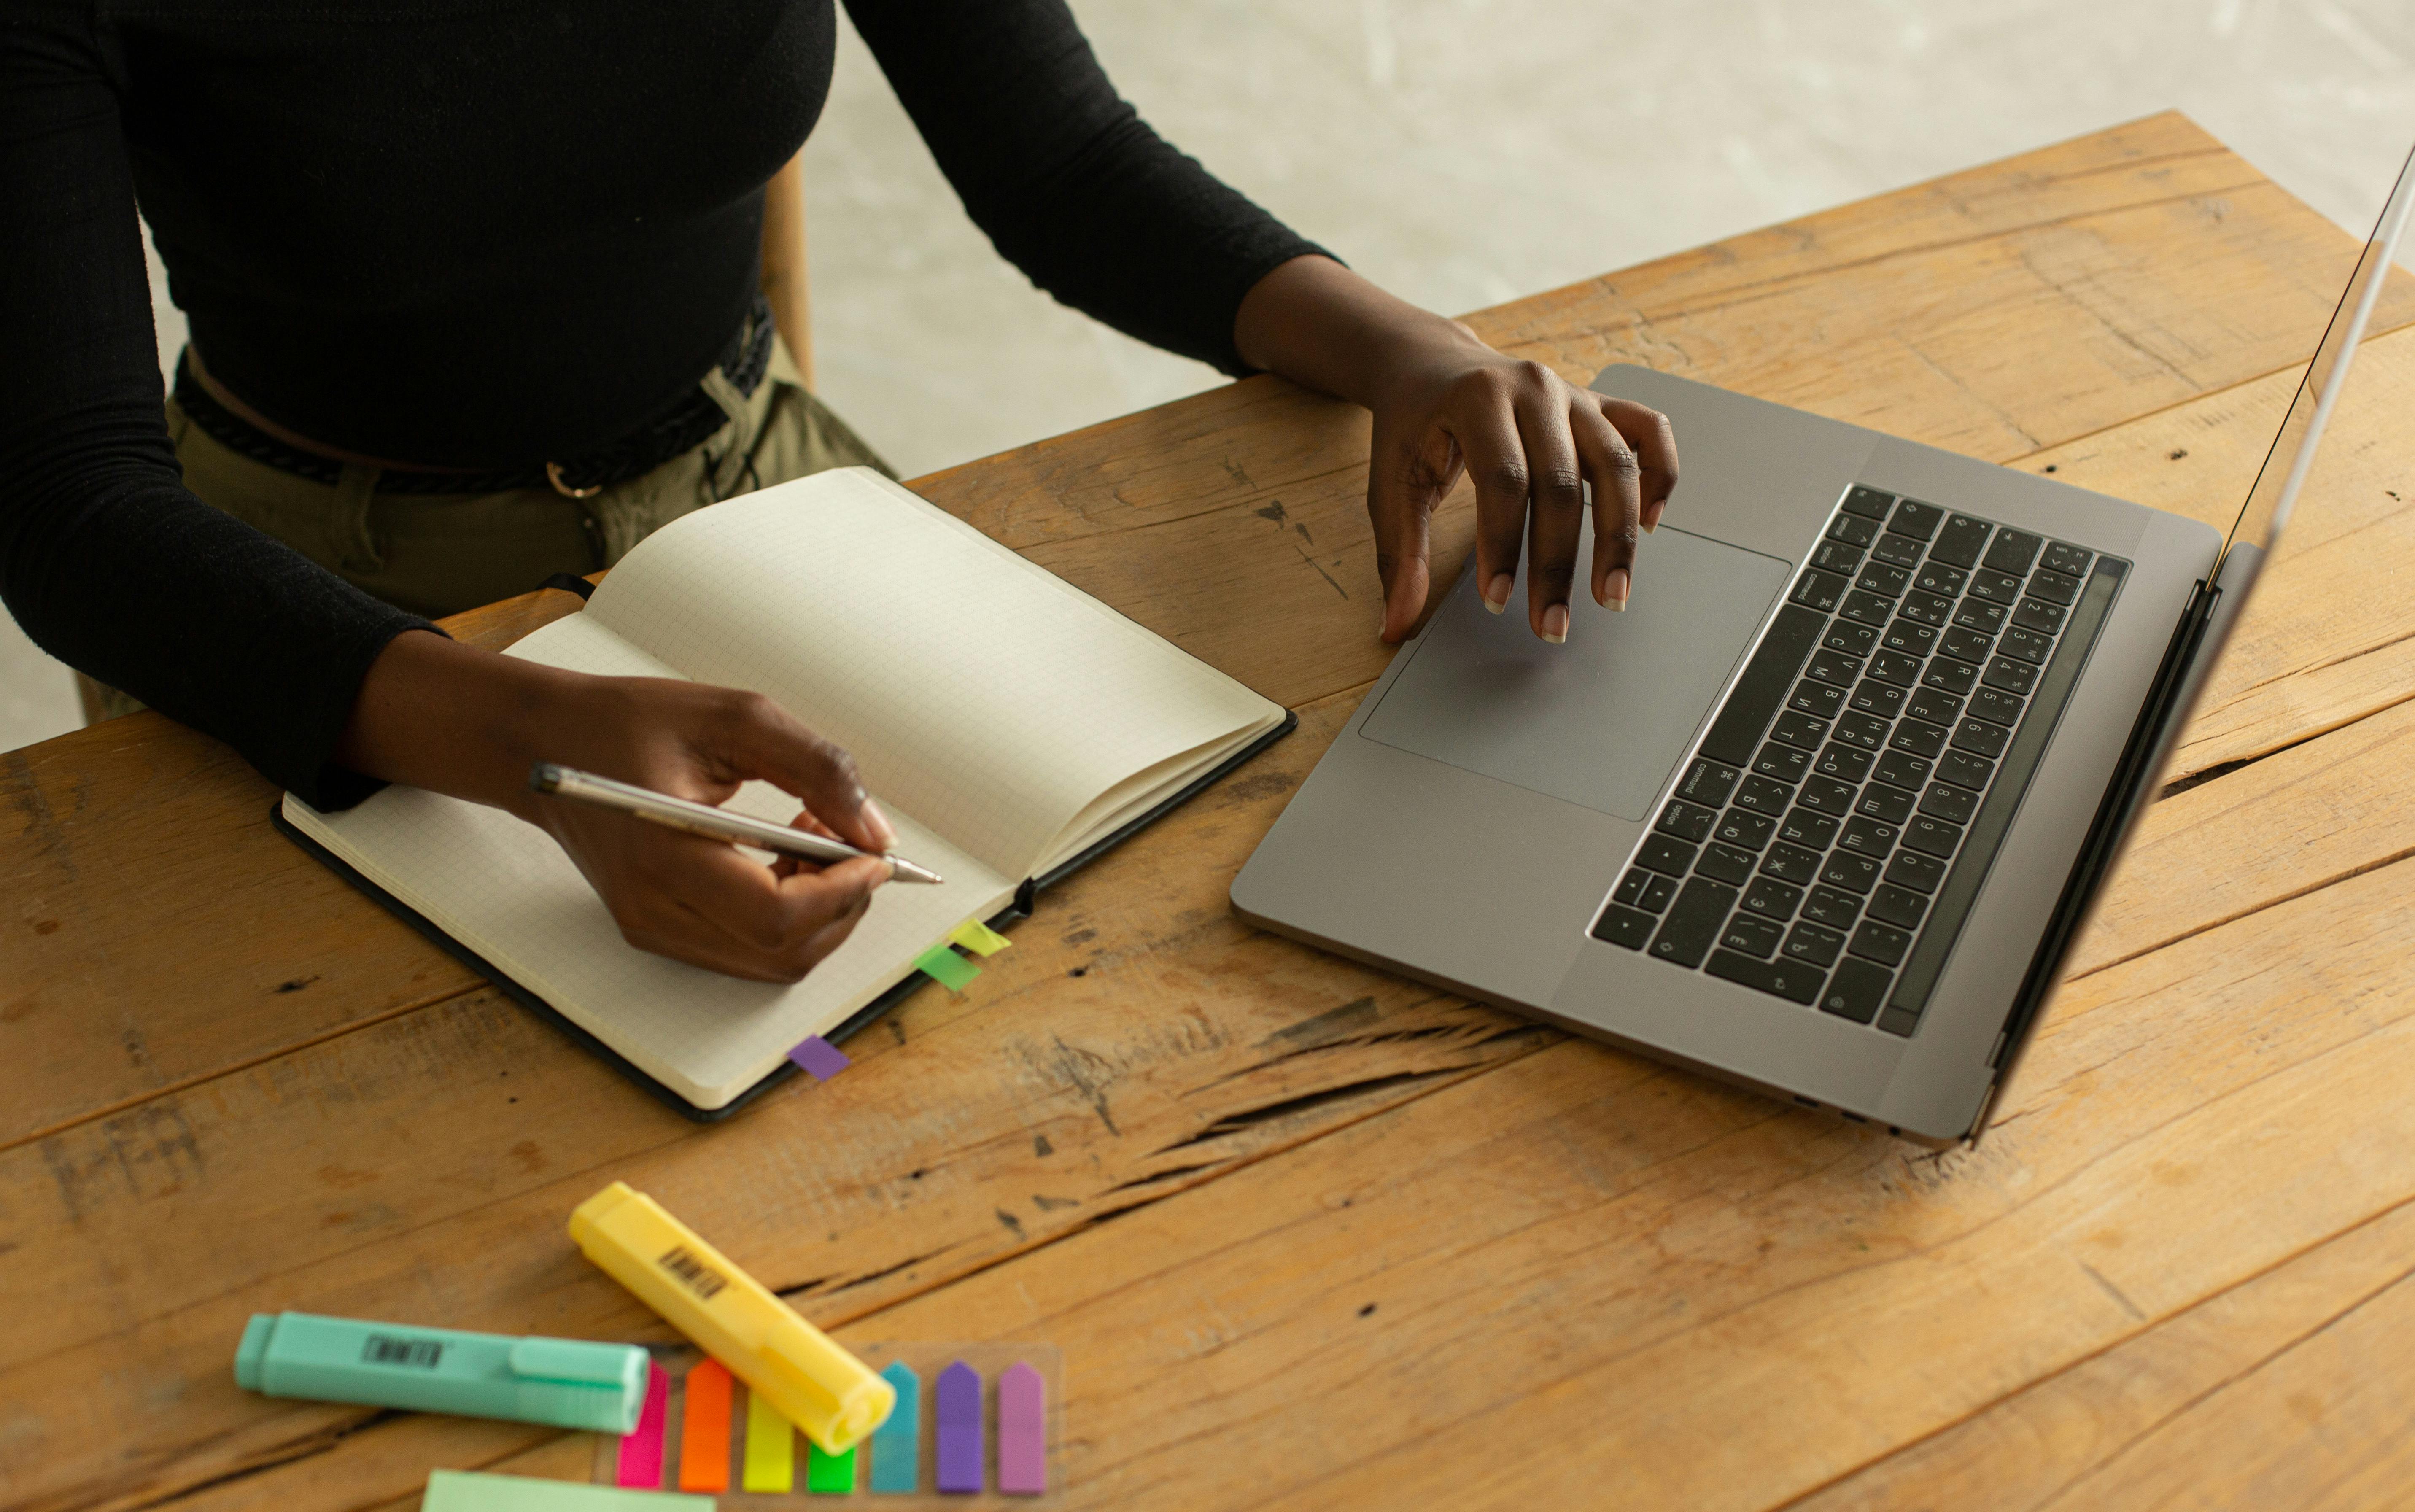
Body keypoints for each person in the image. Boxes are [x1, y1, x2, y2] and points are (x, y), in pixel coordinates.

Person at [2, 1, 1678, 982]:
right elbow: (71, 509)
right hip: (301, 594)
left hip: (755, 490)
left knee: (1079, 947)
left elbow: (1062, 161)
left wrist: (1410, 352)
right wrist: (528, 743)